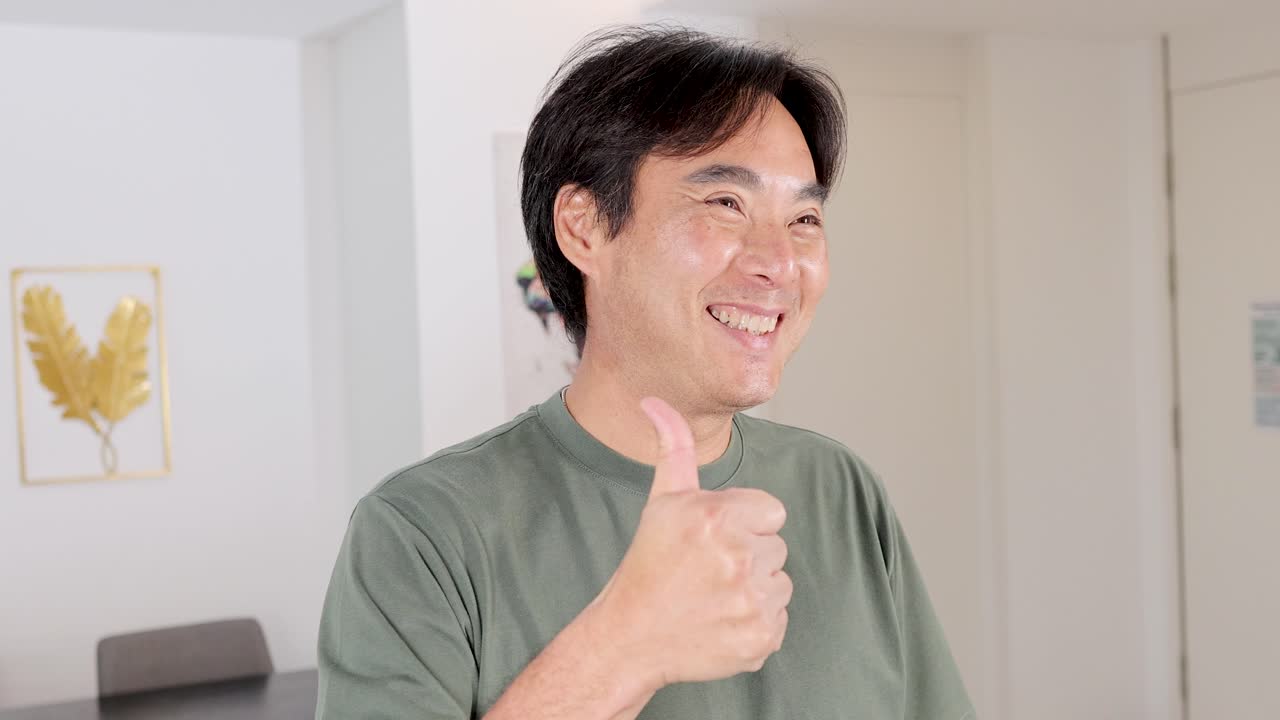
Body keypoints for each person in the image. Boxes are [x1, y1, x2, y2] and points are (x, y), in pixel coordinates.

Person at [316, 26, 975, 720]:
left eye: (804, 217)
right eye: (726, 204)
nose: (779, 263)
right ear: (585, 227)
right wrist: (623, 648)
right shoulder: (421, 535)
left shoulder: (841, 492)